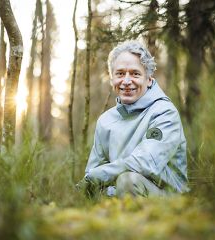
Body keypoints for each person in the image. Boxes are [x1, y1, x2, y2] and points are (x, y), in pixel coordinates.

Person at [77, 40, 188, 198]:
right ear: (111, 79)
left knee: (128, 181)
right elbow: (93, 175)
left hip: (167, 199)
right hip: (118, 197)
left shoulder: (164, 112)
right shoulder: (105, 120)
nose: (127, 81)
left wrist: (98, 177)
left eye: (135, 74)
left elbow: (146, 163)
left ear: (149, 79)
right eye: (120, 74)